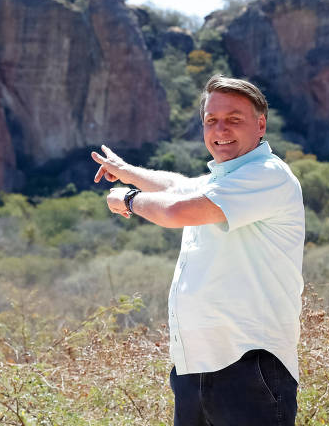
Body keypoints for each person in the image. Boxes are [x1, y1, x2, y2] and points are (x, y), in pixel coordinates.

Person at [91, 75, 305, 425]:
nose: (220, 129)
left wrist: (129, 200)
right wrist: (128, 173)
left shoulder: (267, 175)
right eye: (211, 120)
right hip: (196, 370)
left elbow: (178, 210)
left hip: (250, 368)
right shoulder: (225, 179)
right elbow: (179, 186)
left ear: (260, 124)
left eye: (234, 119)